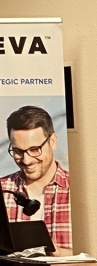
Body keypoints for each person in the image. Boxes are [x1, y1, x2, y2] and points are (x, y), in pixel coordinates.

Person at [1, 105, 72, 254]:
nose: (26, 160)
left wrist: (59, 253)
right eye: (18, 151)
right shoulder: (3, 190)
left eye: (34, 150)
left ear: (53, 141)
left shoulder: (78, 189)